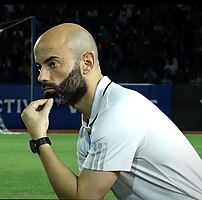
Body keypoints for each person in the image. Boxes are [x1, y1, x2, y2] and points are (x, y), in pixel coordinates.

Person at [21, 22, 202, 200]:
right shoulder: (91, 124)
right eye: (39, 67)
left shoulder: (119, 114)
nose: (41, 77)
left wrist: (40, 139)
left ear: (87, 62)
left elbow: (82, 197)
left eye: (52, 64)